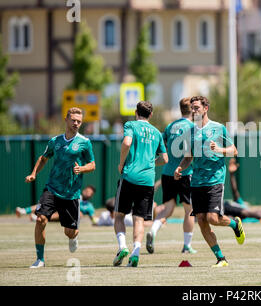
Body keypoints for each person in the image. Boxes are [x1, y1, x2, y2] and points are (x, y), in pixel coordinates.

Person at [174, 96, 244, 267]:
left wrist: (219, 149)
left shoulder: (218, 128)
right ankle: (221, 258)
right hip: (197, 181)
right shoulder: (190, 132)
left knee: (213, 218)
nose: (193, 110)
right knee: (202, 220)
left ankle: (235, 224)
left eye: (196, 107)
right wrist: (180, 168)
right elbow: (188, 157)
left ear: (206, 109)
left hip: (215, 179)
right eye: (192, 108)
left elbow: (233, 150)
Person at [25, 107, 96, 268]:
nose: (76, 123)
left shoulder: (85, 142)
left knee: (69, 232)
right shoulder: (55, 141)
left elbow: (92, 165)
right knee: (40, 219)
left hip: (71, 194)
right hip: (52, 188)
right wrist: (34, 173)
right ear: (66, 120)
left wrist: (82, 169)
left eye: (79, 121)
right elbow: (43, 158)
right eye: (73, 120)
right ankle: (40, 259)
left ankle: (74, 237)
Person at [113, 101, 168, 268]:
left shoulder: (131, 125)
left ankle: (122, 246)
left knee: (119, 215)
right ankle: (136, 251)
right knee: (139, 220)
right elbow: (165, 159)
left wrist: (122, 163)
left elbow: (127, 143)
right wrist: (151, 162)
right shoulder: (157, 133)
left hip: (129, 176)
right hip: (148, 180)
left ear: (136, 112)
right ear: (150, 115)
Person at [146, 97, 197, 255]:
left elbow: (161, 148)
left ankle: (153, 231)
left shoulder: (170, 126)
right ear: (192, 110)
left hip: (167, 172)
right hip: (184, 172)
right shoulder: (194, 127)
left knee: (168, 208)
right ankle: (187, 246)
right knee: (190, 210)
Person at [16, 185, 98, 224]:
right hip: (60, 206)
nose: (87, 193)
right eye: (87, 190)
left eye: (90, 192)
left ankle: (38, 218)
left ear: (91, 195)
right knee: (45, 203)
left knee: (78, 214)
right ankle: (23, 211)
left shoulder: (89, 206)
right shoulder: (74, 194)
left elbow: (93, 219)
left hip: (67, 216)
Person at [224, 158, 261, 223]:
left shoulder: (260, 220)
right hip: (223, 207)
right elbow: (235, 190)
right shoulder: (242, 205)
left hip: (228, 216)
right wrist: (232, 174)